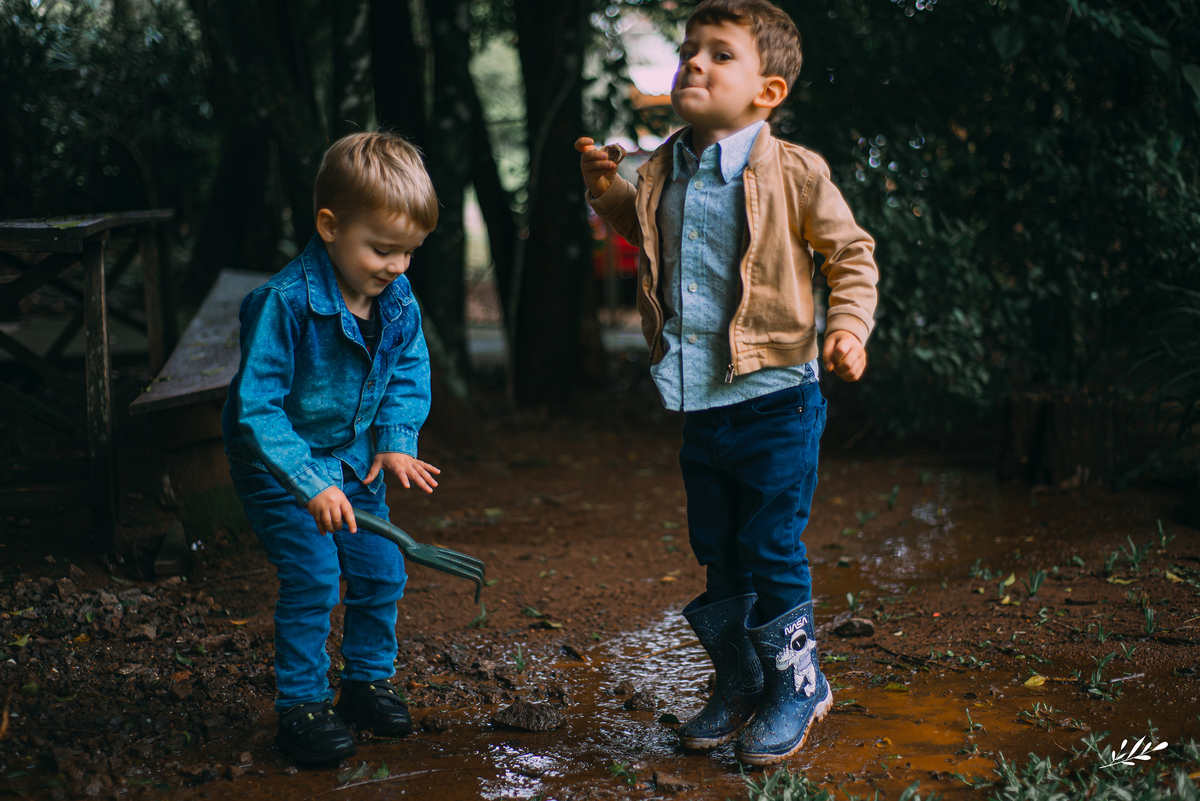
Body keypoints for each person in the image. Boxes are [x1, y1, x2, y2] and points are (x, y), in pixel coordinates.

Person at [576, 0, 878, 765]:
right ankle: (741, 680)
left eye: (719, 54)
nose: (694, 63)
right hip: (700, 405)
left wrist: (848, 328)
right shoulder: (660, 167)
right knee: (717, 548)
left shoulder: (795, 171)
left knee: (770, 543)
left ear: (767, 92)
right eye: (688, 49)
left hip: (778, 398)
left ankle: (798, 683)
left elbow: (851, 256)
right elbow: (639, 234)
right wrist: (607, 189)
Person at [222, 131, 443, 764]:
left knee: (382, 570)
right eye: (382, 249)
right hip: (283, 469)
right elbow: (255, 408)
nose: (397, 266)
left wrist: (398, 441)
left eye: (409, 252)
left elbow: (408, 370)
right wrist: (309, 482)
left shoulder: (397, 299)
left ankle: (366, 684)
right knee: (315, 576)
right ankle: (301, 706)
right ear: (329, 225)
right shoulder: (283, 305)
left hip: (356, 462)